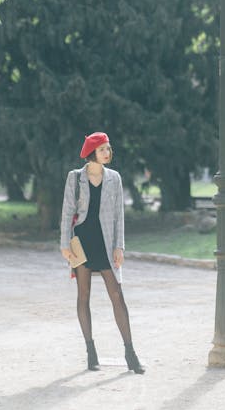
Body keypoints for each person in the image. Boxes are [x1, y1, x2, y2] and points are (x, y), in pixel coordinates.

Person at [60, 131, 145, 374]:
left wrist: (120, 245)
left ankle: (130, 353)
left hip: (106, 243)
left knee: (117, 294)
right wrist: (65, 243)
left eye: (109, 148)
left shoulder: (114, 178)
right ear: (92, 154)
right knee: (83, 295)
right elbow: (67, 211)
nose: (108, 153)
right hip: (81, 240)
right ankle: (90, 351)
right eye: (103, 149)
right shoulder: (75, 178)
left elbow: (119, 215)